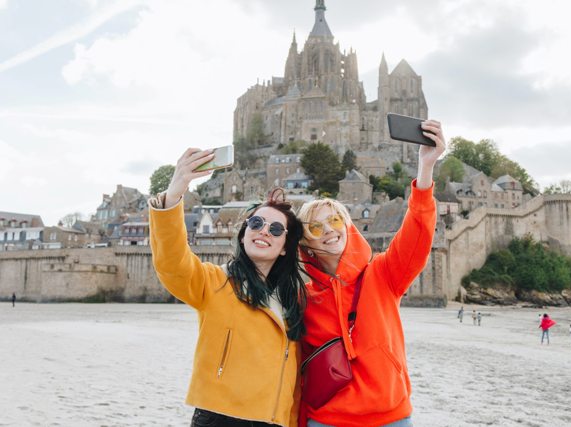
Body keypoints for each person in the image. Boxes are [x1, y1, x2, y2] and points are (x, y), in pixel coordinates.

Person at [297, 120, 445, 427]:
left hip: (389, 417)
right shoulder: (303, 297)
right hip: (327, 420)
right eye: (315, 227)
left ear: (348, 226)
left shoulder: (381, 274)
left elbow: (416, 235)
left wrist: (425, 170)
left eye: (336, 220)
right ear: (305, 243)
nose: (328, 230)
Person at [149, 148, 307, 427]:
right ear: (244, 232)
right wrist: (174, 197)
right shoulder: (215, 282)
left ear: (285, 247)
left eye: (275, 229)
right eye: (256, 223)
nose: (263, 231)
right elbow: (173, 264)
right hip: (220, 418)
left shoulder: (293, 300)